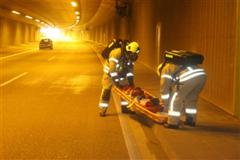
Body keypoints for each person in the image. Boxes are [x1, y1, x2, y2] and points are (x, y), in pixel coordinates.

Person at [157, 50, 207, 128]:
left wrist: (165, 105)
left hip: (188, 76)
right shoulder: (174, 65)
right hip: (202, 75)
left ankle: (172, 122)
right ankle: (191, 120)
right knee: (191, 98)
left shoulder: (165, 70)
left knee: (176, 98)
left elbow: (164, 90)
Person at [99, 39, 140, 117]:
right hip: (109, 75)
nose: (133, 57)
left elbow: (130, 71)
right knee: (106, 91)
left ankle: (125, 108)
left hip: (121, 74)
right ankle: (102, 110)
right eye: (132, 55)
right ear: (128, 51)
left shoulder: (131, 56)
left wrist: (131, 83)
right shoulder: (116, 53)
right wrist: (117, 83)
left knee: (126, 90)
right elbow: (112, 70)